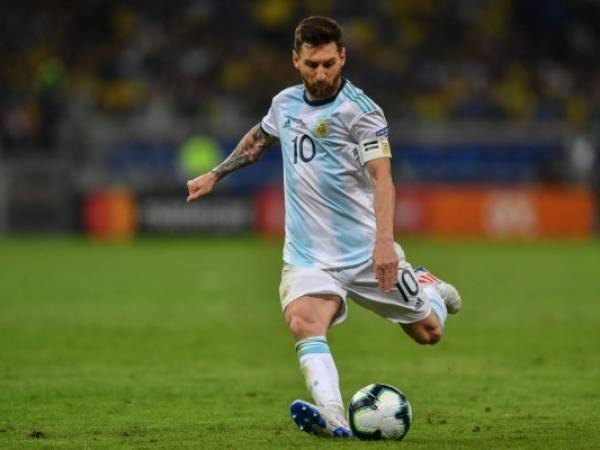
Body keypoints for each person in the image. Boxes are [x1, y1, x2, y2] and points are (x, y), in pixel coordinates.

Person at [186, 16, 461, 438]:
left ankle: (427, 285)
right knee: (303, 322)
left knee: (429, 333)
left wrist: (385, 242)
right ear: (296, 60)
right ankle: (333, 417)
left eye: (329, 64)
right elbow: (258, 140)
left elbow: (382, 178)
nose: (321, 74)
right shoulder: (285, 104)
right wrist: (215, 174)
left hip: (365, 251)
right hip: (307, 254)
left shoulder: (362, 112)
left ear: (343, 57)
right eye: (312, 65)